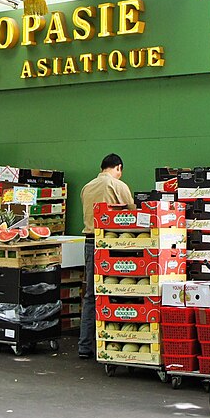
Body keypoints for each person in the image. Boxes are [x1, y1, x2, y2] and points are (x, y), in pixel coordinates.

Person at [78, 153, 135, 359]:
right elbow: (132, 213)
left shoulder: (86, 187)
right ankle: (112, 344)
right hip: (112, 245)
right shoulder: (119, 186)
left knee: (91, 296)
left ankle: (85, 346)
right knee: (116, 292)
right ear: (118, 167)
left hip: (90, 242)